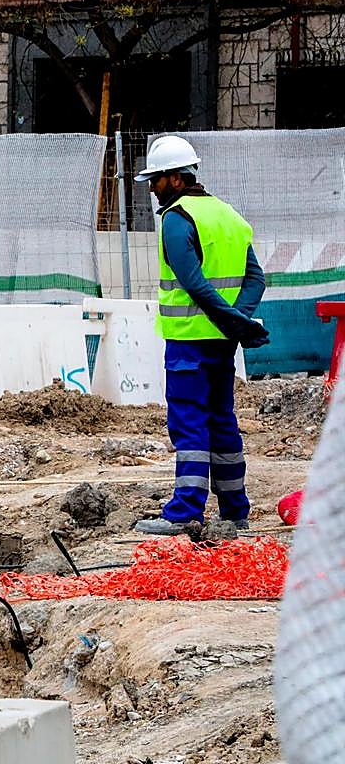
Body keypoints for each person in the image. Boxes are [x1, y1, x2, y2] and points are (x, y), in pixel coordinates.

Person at [132, 136, 269, 536]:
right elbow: (255, 278)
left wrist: (232, 322)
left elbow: (194, 284)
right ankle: (234, 511)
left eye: (156, 180)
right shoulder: (228, 215)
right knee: (222, 420)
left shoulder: (177, 218)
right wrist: (237, 322)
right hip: (222, 344)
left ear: (176, 178)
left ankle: (185, 511)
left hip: (189, 343)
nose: (153, 189)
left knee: (190, 423)